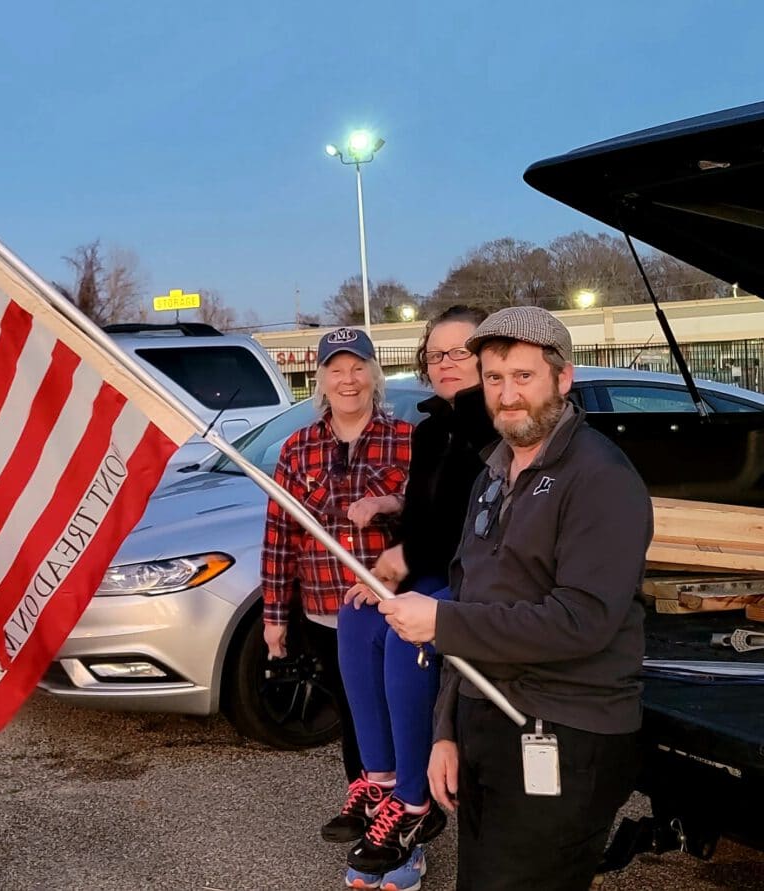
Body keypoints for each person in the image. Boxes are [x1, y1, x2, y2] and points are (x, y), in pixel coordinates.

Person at [378, 306, 653, 891]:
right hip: (489, 720)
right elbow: (472, 598)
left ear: (563, 377)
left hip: (567, 729)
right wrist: (446, 728)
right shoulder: (492, 475)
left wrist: (443, 622)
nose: (507, 395)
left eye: (523, 377)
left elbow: (581, 621)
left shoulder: (599, 476)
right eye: (495, 378)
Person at [335, 306, 495, 889]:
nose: (445, 363)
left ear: (488, 358)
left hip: (475, 575)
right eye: (435, 354)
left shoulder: (495, 426)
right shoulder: (431, 429)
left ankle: (411, 798)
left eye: (460, 353)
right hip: (430, 564)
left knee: (408, 637)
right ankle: (377, 776)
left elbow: (463, 518)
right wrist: (393, 551)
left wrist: (403, 560)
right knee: (356, 615)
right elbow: (427, 510)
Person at [260, 326, 413, 863]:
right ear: (320, 379)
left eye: (358, 367)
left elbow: (432, 519)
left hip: (391, 612)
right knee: (355, 719)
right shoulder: (297, 449)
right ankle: (370, 813)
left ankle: (409, 823)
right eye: (335, 369)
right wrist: (274, 617)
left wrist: (390, 503)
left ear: (374, 373)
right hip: (325, 611)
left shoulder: (407, 438)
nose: (348, 379)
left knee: (398, 715)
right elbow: (279, 535)